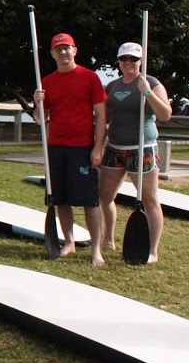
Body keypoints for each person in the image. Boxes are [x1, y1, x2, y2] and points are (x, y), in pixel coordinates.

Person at [34, 33, 107, 260]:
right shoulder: (46, 82)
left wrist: (97, 148)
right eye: (58, 49)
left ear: (74, 50)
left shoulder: (89, 77)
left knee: (89, 200)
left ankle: (96, 248)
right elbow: (40, 119)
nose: (63, 52)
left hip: (82, 148)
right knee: (61, 199)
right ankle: (69, 241)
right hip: (56, 147)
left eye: (67, 48)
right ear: (53, 54)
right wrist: (38, 103)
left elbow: (101, 114)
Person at [97, 42, 171, 265]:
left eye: (133, 59)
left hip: (143, 148)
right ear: (119, 62)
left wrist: (147, 92)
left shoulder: (151, 83)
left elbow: (165, 114)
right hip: (115, 148)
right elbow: (104, 118)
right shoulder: (112, 86)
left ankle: (152, 251)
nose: (128, 63)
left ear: (140, 61)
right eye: (124, 59)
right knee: (104, 197)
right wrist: (97, 146)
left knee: (149, 199)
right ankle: (108, 239)